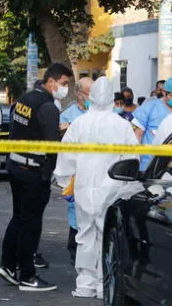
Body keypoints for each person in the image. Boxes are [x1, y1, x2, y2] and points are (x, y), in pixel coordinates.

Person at [54, 76, 140, 298]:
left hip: (84, 188)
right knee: (107, 236)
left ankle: (85, 284)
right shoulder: (122, 125)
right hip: (112, 190)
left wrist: (66, 184)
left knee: (84, 235)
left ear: (91, 98)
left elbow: (66, 157)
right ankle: (104, 284)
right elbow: (132, 159)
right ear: (112, 99)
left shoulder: (79, 124)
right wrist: (128, 189)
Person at [0, 63, 73, 292]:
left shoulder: (25, 99)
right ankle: (27, 275)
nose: (65, 88)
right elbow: (50, 145)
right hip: (34, 172)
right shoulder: (48, 107)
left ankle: (8, 265)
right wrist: (62, 132)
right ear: (52, 81)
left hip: (16, 165)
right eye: (64, 84)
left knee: (18, 218)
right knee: (31, 224)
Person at [58, 76, 93, 265]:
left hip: (97, 171)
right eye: (89, 93)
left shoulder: (102, 114)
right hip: (77, 171)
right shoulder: (68, 116)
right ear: (80, 94)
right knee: (76, 209)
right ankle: (75, 249)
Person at [132, 75, 172, 170]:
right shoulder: (150, 107)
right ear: (164, 92)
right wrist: (135, 160)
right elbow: (138, 135)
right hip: (149, 165)